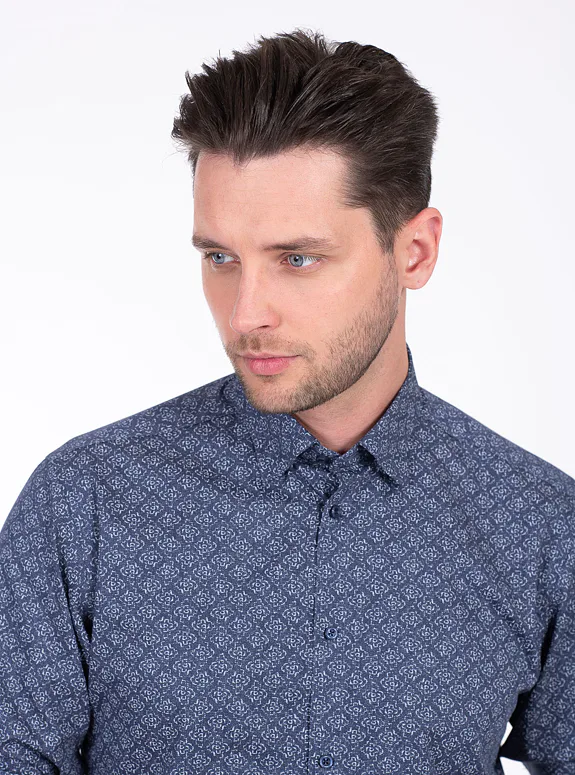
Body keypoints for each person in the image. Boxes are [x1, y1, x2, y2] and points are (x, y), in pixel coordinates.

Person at [0, 26, 573, 775]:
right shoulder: (85, 503)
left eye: (297, 259)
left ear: (415, 251)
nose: (245, 315)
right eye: (220, 257)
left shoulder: (538, 527)